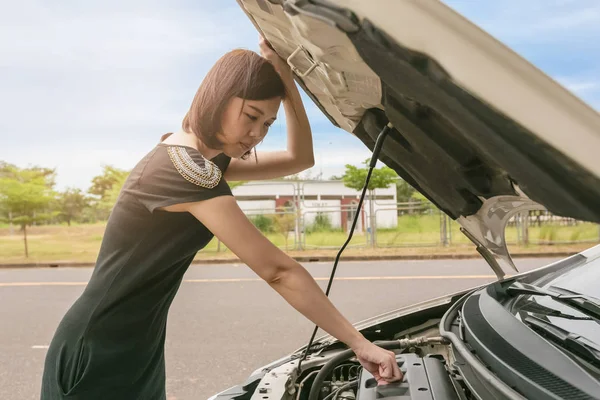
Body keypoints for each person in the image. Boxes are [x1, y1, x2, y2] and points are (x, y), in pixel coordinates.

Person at [40, 37, 403, 400]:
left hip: (137, 343)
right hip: (100, 348)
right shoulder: (185, 172)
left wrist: (287, 81)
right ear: (218, 97)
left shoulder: (199, 161)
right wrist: (358, 344)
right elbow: (279, 271)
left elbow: (299, 158)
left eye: (267, 123)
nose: (257, 134)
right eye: (251, 116)